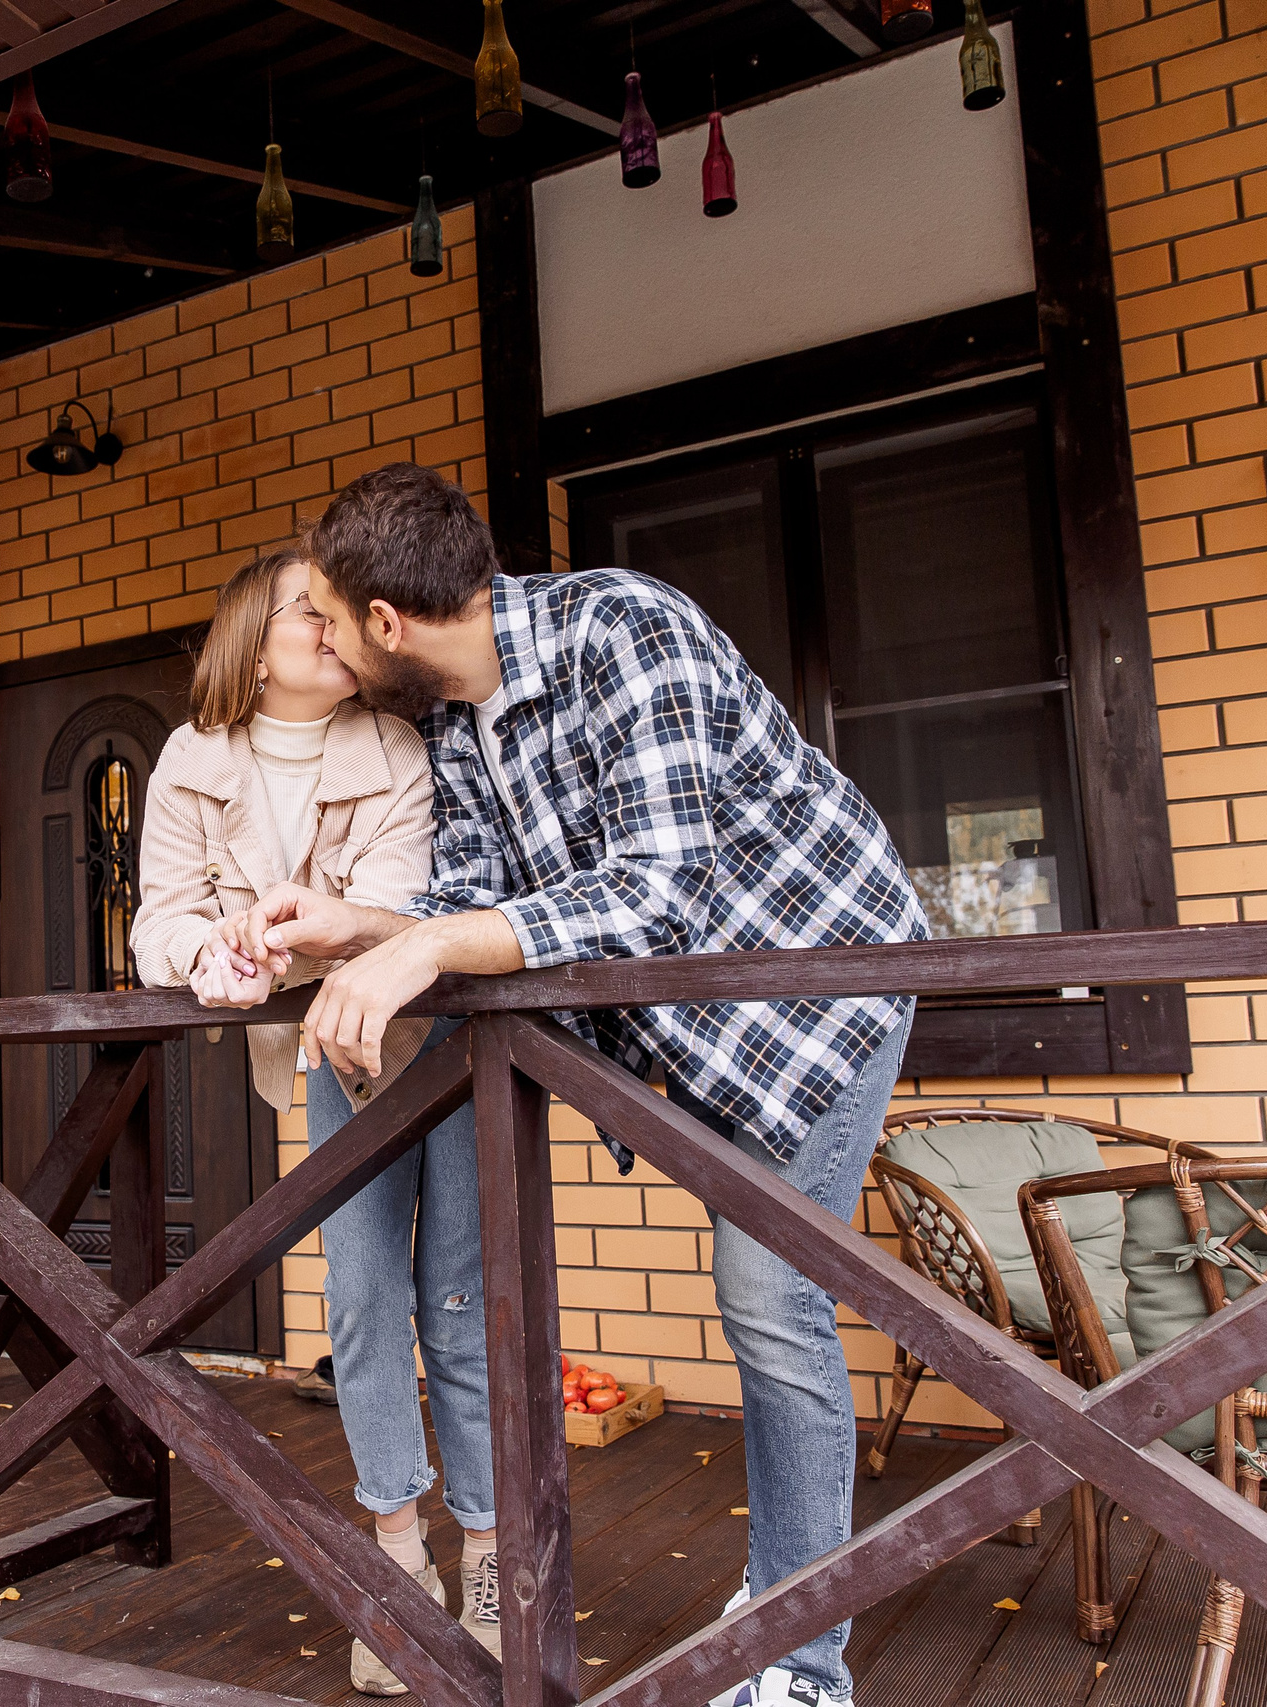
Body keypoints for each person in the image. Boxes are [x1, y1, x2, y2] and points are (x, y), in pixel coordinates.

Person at [224, 465, 928, 1707]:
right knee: (763, 1299)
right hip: (699, 1035)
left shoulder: (625, 630)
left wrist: (425, 948)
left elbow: (647, 891)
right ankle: (784, 1586)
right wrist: (351, 923)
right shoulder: (456, 709)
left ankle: (802, 1663)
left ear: (387, 624)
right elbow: (476, 898)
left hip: (820, 998)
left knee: (770, 1303)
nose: (319, 642)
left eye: (327, 618)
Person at [130, 545, 504, 1694]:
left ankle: (490, 1552)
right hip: (332, 1056)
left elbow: (406, 905)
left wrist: (307, 930)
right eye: (311, 610)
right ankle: (399, 1559)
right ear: (254, 637)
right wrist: (210, 955)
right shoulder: (190, 761)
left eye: (339, 613)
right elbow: (158, 920)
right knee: (357, 1296)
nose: (336, 628)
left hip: (440, 1037)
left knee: (457, 1295)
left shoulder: (392, 746)